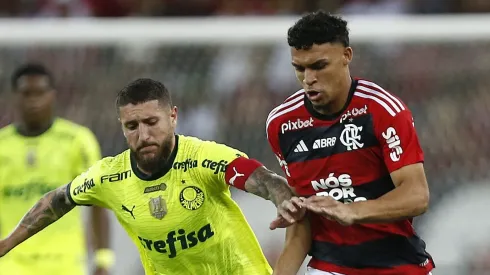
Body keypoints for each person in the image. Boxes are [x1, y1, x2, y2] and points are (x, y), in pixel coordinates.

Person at [0, 78, 300, 275]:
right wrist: (7, 243)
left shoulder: (202, 157)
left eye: (151, 122)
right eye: (132, 126)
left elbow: (259, 176)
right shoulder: (109, 177)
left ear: (173, 117)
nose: (143, 135)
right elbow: (59, 199)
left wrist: (282, 199)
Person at [267, 11, 435, 275]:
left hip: (398, 264)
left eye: (319, 66)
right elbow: (304, 220)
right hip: (330, 266)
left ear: (346, 56)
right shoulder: (281, 124)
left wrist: (353, 210)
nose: (308, 79)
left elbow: (417, 195)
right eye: (300, 68)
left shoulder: (382, 109)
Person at [0, 64, 111, 275]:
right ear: (14, 97)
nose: (33, 100)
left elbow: (99, 201)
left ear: (53, 95)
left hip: (64, 263)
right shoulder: (2, 145)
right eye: (26, 94)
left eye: (40, 93)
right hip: (12, 263)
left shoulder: (77, 140)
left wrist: (103, 259)